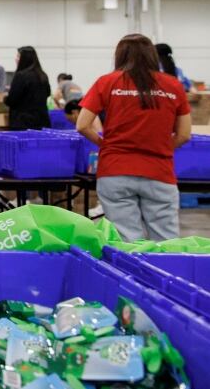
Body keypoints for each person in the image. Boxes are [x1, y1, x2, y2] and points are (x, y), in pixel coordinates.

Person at [78, 34, 191, 242]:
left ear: (119, 55)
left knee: (126, 240)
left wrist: (107, 145)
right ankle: (166, 274)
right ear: (151, 55)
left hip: (115, 169)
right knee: (166, 241)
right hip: (159, 171)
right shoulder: (173, 86)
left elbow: (82, 125)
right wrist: (163, 148)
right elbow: (184, 134)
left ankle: (129, 275)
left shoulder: (107, 82)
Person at [4, 46, 51, 130]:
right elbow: (48, 93)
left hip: (23, 123)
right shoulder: (43, 75)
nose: (16, 59)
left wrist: (5, 99)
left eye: (18, 56)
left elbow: (12, 100)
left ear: (24, 59)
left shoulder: (21, 76)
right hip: (42, 121)